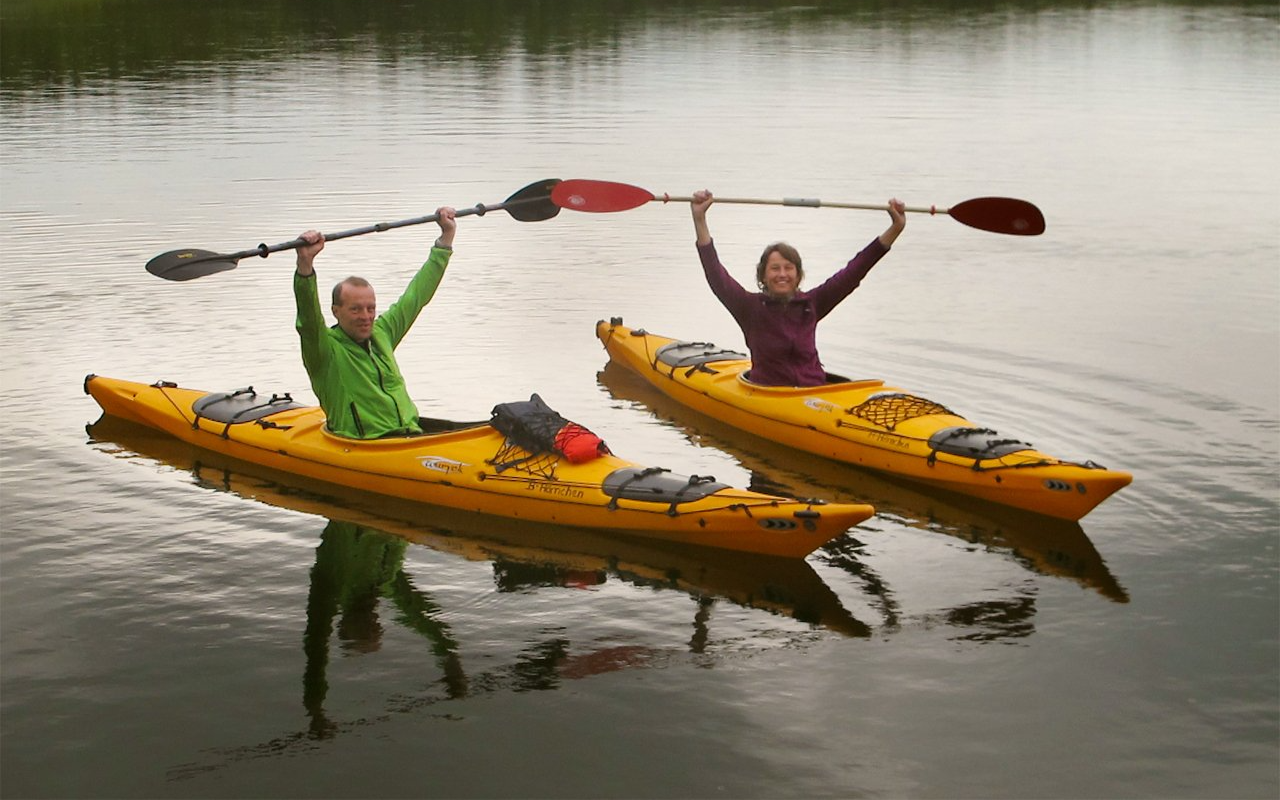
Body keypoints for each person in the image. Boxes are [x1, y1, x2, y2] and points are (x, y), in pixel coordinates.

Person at [690, 189, 906, 387]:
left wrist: (895, 228)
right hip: (769, 395)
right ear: (763, 275)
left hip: (815, 393)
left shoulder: (812, 304)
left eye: (788, 268)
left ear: (798, 275)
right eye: (775, 268)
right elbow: (716, 275)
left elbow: (854, 271)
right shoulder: (749, 308)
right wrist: (699, 219)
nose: (782, 274)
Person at [293, 207, 457, 438]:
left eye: (370, 308)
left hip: (411, 437)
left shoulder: (382, 333)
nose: (366, 316)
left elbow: (416, 296)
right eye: (355, 309)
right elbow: (308, 318)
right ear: (336, 311)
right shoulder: (324, 350)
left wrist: (446, 238)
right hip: (366, 444)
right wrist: (305, 264)